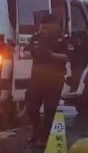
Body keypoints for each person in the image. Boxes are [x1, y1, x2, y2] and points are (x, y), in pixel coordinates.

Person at [25, 12, 70, 146]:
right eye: (42, 27)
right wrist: (32, 52)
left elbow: (67, 57)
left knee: (50, 110)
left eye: (46, 27)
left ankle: (44, 137)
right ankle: (36, 131)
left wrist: (50, 54)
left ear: (54, 26)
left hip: (54, 79)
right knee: (31, 107)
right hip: (37, 79)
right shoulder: (36, 37)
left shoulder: (62, 38)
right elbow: (26, 52)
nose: (43, 30)